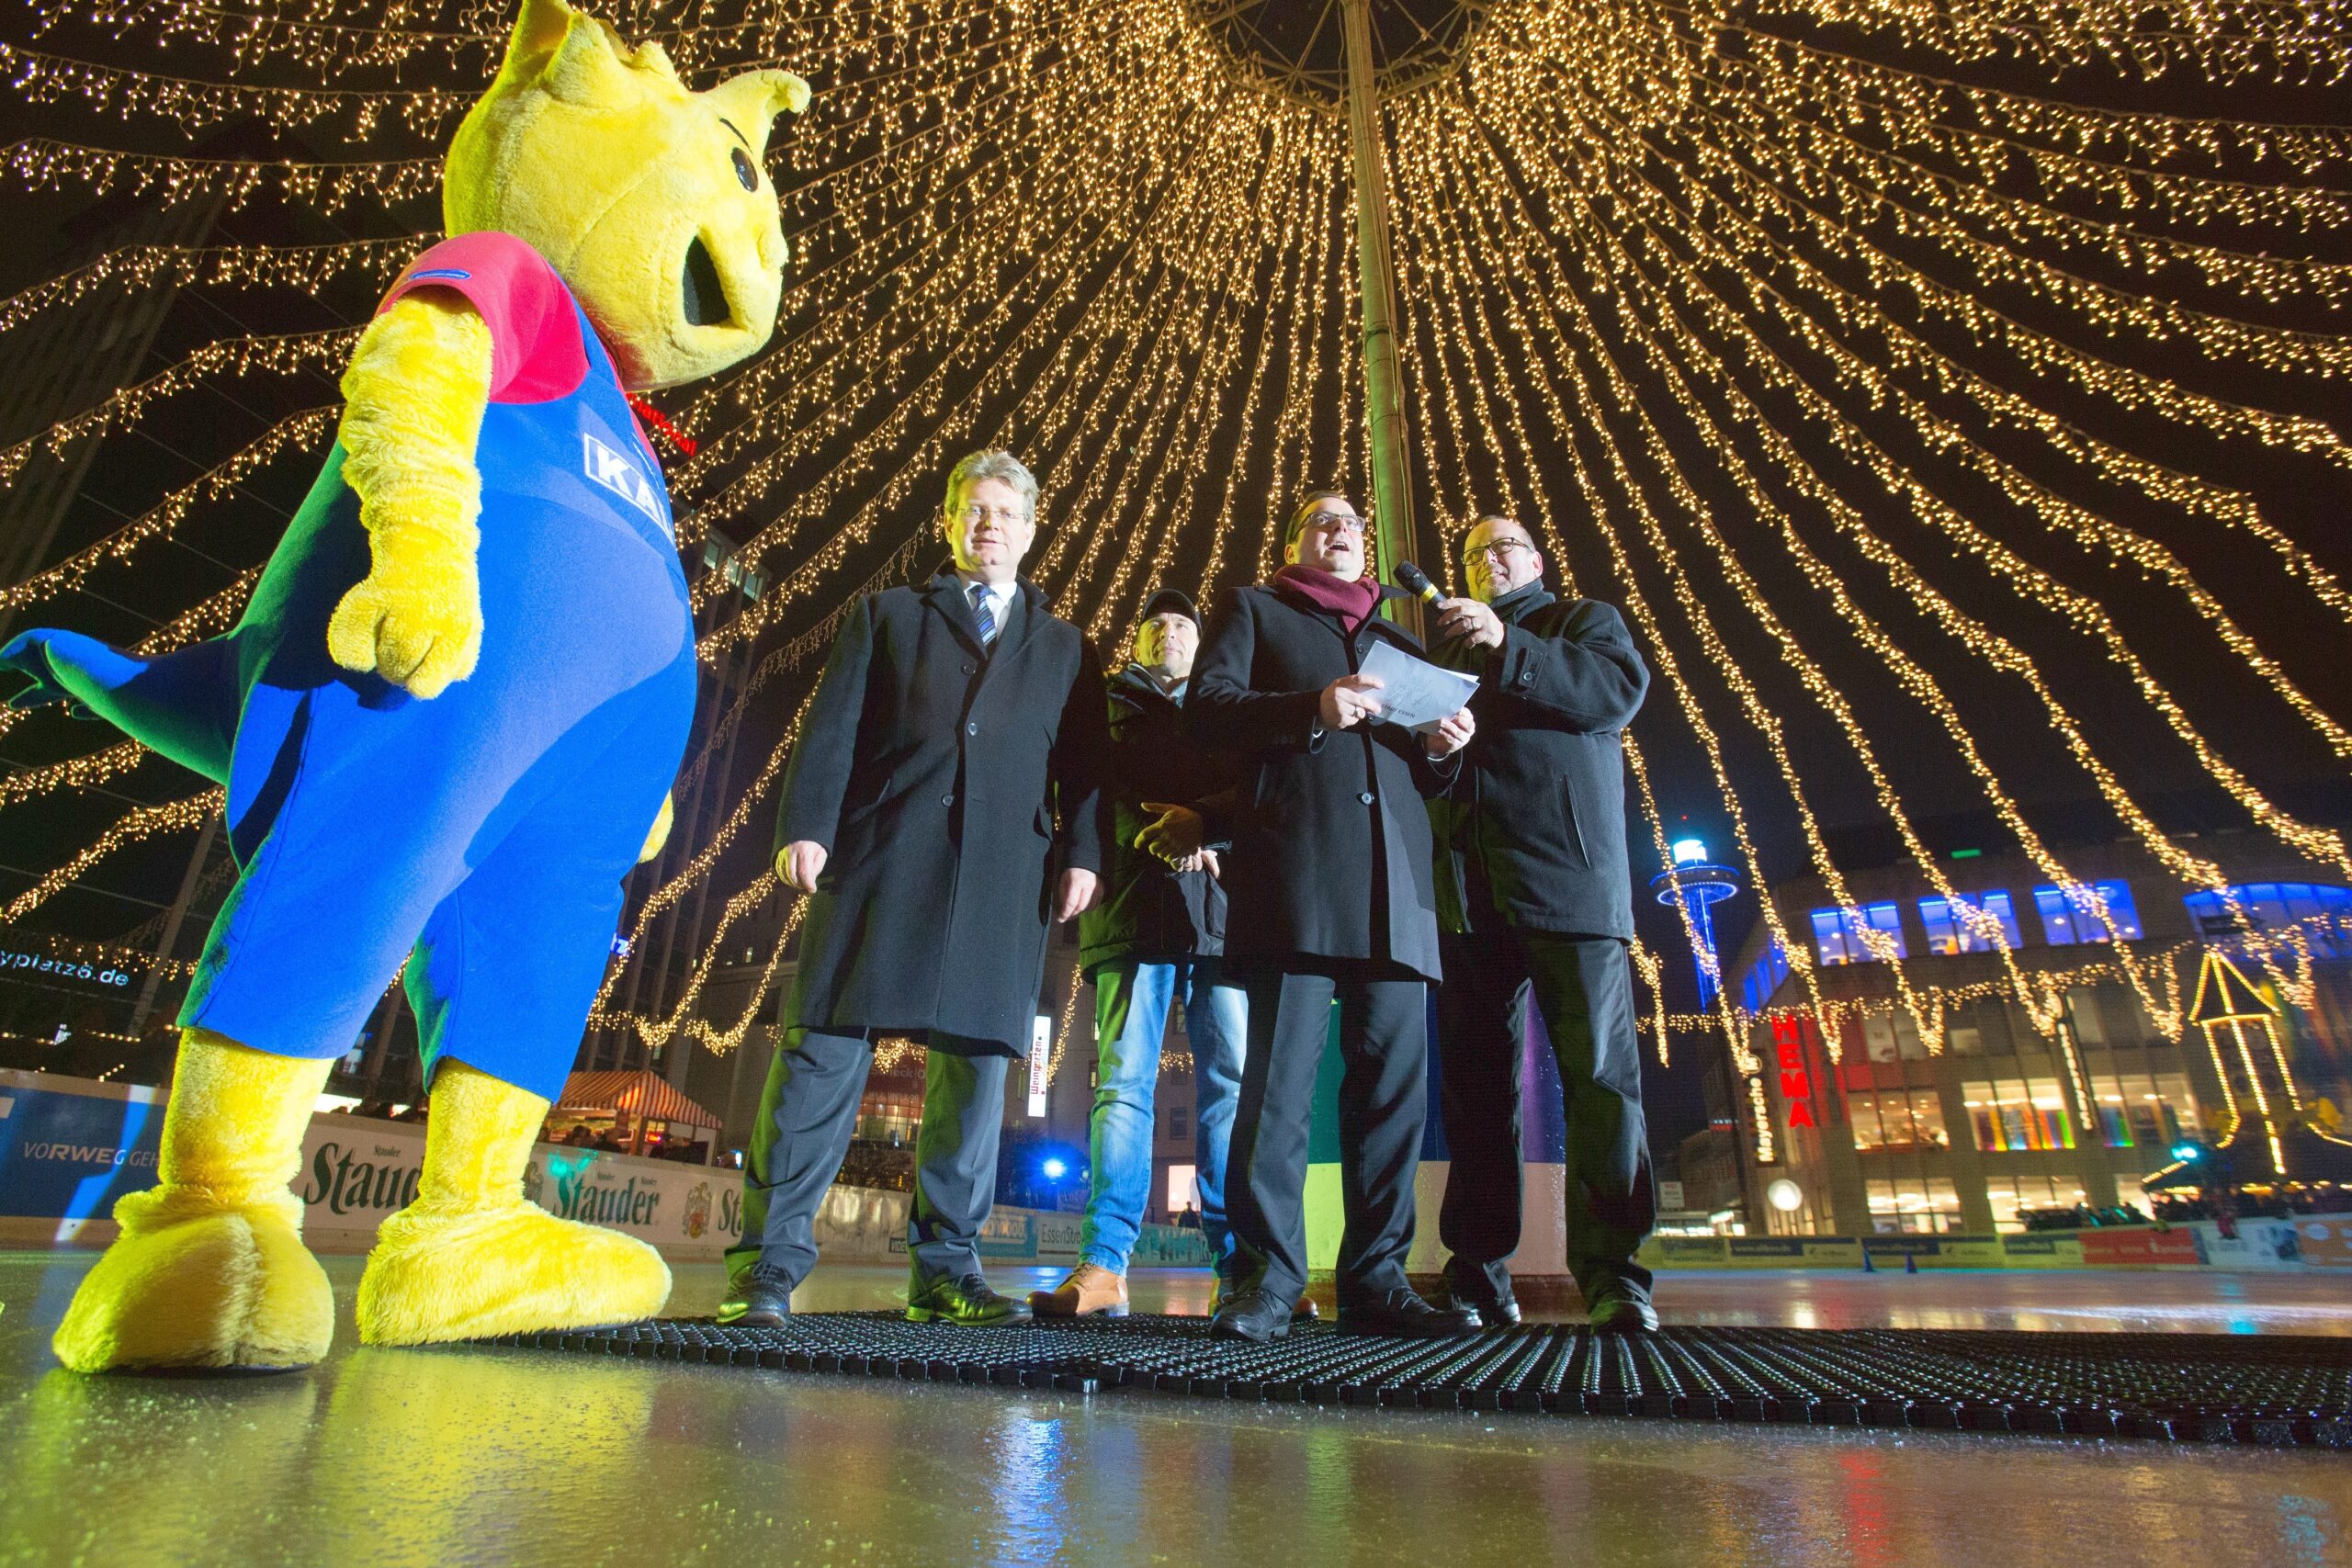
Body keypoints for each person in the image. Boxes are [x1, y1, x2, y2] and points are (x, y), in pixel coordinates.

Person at [722, 450, 1108, 1327]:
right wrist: (808, 825)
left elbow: (1087, 768)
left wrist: (1084, 851)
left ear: (1032, 528)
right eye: (974, 509)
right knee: (820, 1058)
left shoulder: (1065, 647)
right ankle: (766, 1269)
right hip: (879, 859)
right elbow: (832, 729)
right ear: (949, 522)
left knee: (972, 1082)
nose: (990, 524)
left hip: (1002, 880)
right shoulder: (887, 615)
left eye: (1007, 513)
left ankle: (946, 1273)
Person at [1188, 490, 1479, 1342]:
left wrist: (1439, 751)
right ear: (1297, 544)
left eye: (1353, 524)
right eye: (1323, 522)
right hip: (1298, 879)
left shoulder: (1399, 638)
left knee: (1392, 1097)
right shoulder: (1254, 609)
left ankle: (1377, 1278)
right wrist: (1308, 708)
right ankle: (1268, 1279)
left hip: (1397, 891)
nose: (1342, 532)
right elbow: (1207, 710)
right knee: (1276, 1089)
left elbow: (1416, 774)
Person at [1424, 513, 1657, 1333]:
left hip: (1572, 887)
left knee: (1598, 1081)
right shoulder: (1444, 654)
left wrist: (1507, 644)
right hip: (1470, 894)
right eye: (1474, 555)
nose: (1489, 561)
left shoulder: (1584, 622)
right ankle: (1480, 1274)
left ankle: (1614, 1274)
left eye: (1504, 547)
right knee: (1478, 1095)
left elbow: (1615, 695)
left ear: (1535, 558)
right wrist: (1439, 750)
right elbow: (1431, 775)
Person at [1031, 589, 1250, 1320]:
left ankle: (1240, 1267)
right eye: (1156, 625)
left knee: (1230, 1086)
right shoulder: (1107, 705)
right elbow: (1087, 790)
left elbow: (1255, 787)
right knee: (1122, 1085)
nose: (1170, 635)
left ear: (1200, 641)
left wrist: (1210, 834)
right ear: (1139, 641)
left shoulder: (1227, 707)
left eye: (1183, 626)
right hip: (1130, 913)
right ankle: (1105, 1262)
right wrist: (1158, 835)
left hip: (1221, 921)